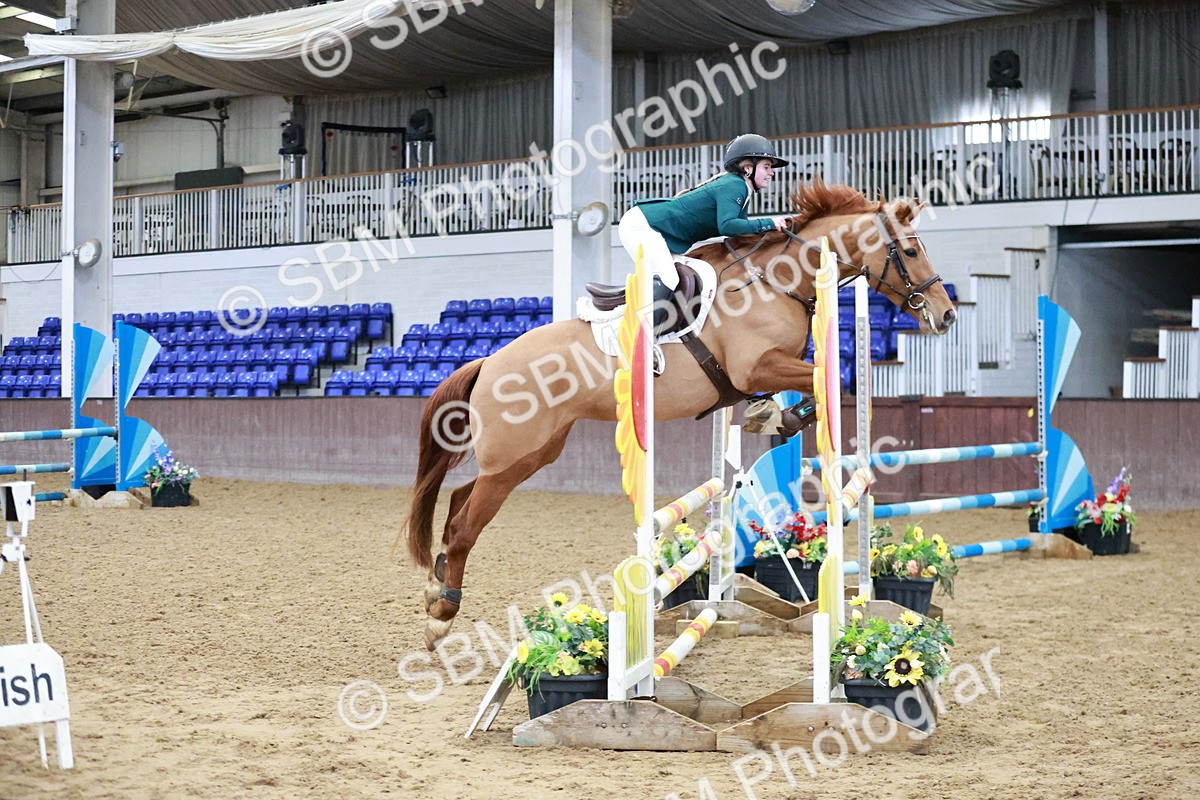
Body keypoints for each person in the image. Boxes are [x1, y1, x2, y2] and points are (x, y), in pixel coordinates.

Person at [618, 133, 790, 336]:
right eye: (766, 167)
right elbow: (727, 226)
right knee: (669, 278)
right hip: (642, 225)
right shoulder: (734, 185)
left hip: (657, 231)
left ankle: (666, 334)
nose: (771, 173)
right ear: (748, 168)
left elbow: (739, 235)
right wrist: (769, 222)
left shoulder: (742, 190)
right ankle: (641, 338)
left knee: (689, 277)